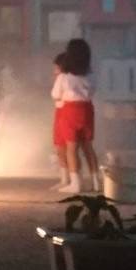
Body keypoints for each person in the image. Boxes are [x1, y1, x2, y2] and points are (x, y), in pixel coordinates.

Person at [52, 38, 100, 194]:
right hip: (87, 110)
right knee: (88, 147)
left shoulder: (64, 77)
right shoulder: (91, 76)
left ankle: (76, 183)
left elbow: (55, 94)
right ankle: (96, 181)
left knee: (71, 149)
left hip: (69, 111)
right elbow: (93, 91)